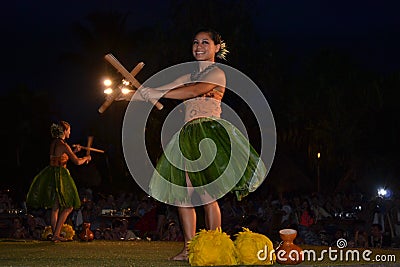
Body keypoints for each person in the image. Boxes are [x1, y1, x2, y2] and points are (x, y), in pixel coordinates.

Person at [119, 28, 267, 261]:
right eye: (195, 42)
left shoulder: (217, 73)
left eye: (205, 42)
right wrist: (129, 94)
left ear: (217, 47)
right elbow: (165, 89)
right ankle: (189, 248)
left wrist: (157, 92)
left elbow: (194, 90)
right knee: (183, 194)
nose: (199, 46)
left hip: (208, 133)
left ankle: (216, 245)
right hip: (186, 135)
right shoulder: (188, 74)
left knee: (208, 193)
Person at [26, 121, 91, 242]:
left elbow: (61, 157)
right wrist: (86, 158)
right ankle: (56, 234)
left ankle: (56, 234)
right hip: (60, 176)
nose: (70, 132)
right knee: (69, 206)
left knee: (55, 207)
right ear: (64, 131)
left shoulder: (55, 143)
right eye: (69, 130)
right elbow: (76, 162)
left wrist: (75, 151)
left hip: (52, 174)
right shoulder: (63, 145)